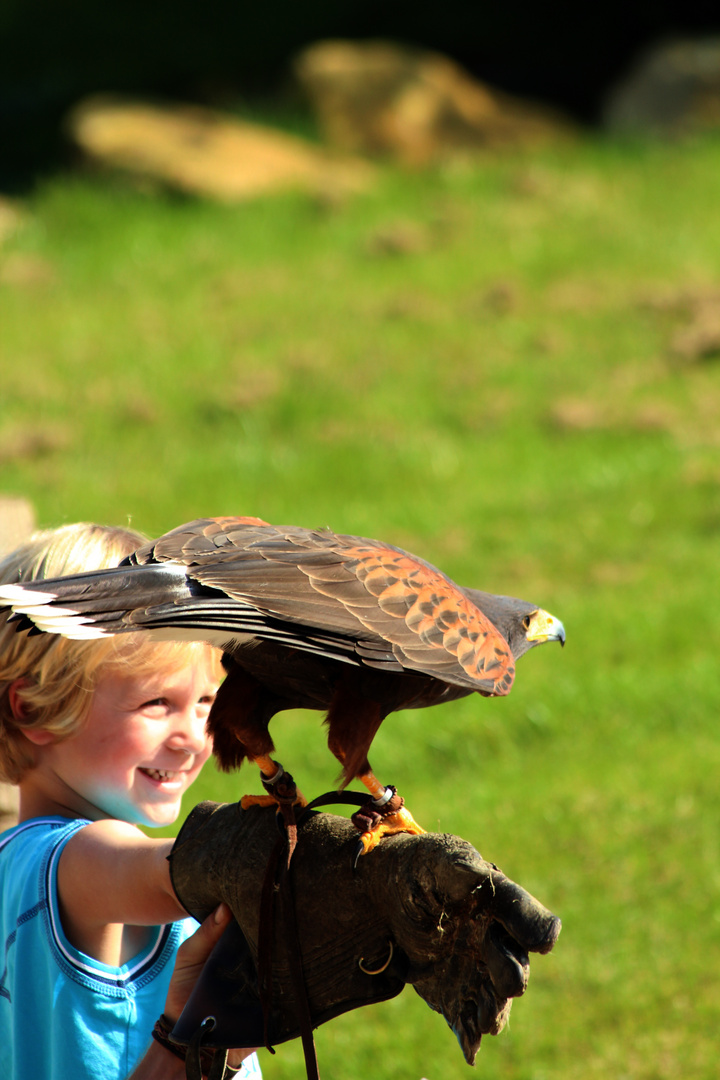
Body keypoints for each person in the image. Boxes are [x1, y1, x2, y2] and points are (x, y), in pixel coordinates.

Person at [0, 522, 261, 1080]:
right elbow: (160, 873)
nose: (194, 738)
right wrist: (265, 856)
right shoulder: (73, 861)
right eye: (156, 702)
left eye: (207, 702)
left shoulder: (11, 866)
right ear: (35, 708)